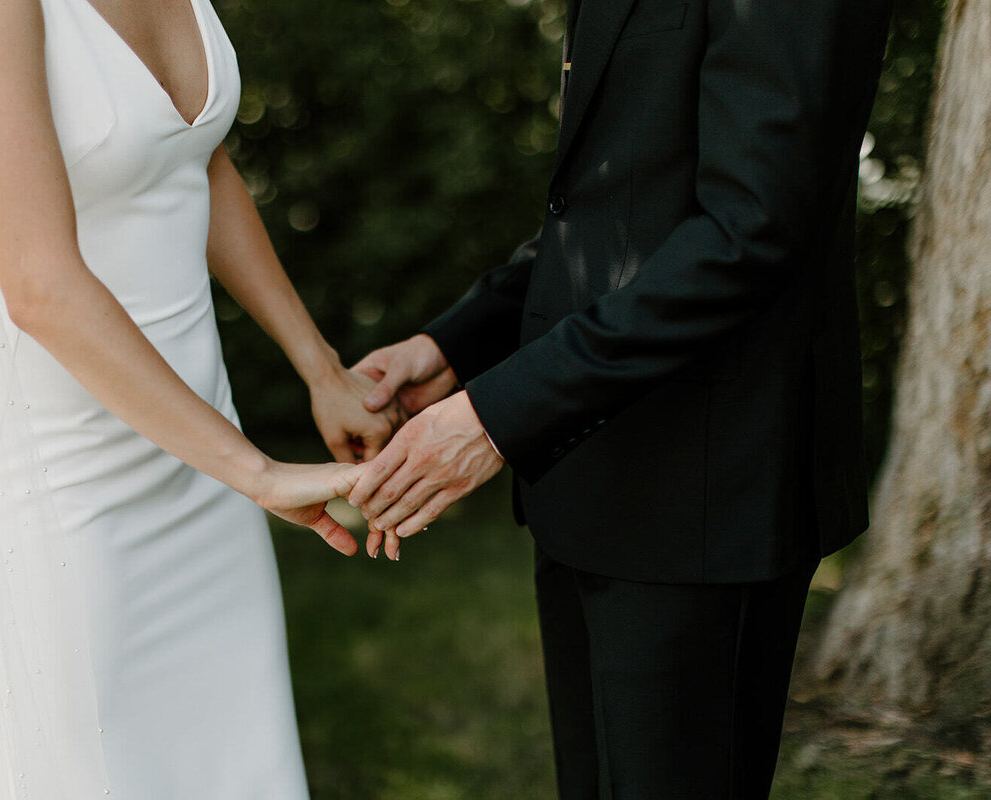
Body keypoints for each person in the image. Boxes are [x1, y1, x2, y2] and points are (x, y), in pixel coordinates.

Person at [346, 0, 894, 796]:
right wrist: (456, 345)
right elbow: (617, 206)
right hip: (588, 479)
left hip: (708, 497)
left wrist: (499, 418)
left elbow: (749, 232)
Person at [0, 0, 396, 795]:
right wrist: (258, 473)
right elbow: (39, 286)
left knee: (240, 766)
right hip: (71, 491)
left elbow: (197, 160)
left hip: (208, 467)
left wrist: (321, 368)